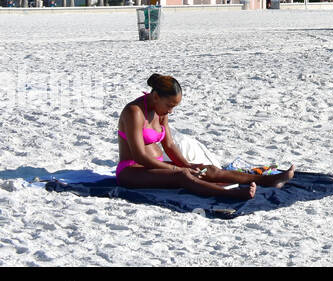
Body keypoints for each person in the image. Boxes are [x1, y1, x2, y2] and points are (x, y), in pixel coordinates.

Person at [115, 74, 294, 200]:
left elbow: (168, 144)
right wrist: (177, 170)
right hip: (132, 171)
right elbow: (140, 156)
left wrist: (187, 164)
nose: (171, 110)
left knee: (206, 169)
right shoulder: (134, 112)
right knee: (182, 177)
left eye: (174, 107)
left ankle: (267, 180)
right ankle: (228, 194)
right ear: (155, 96)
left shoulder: (161, 111)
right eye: (169, 105)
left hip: (156, 167)